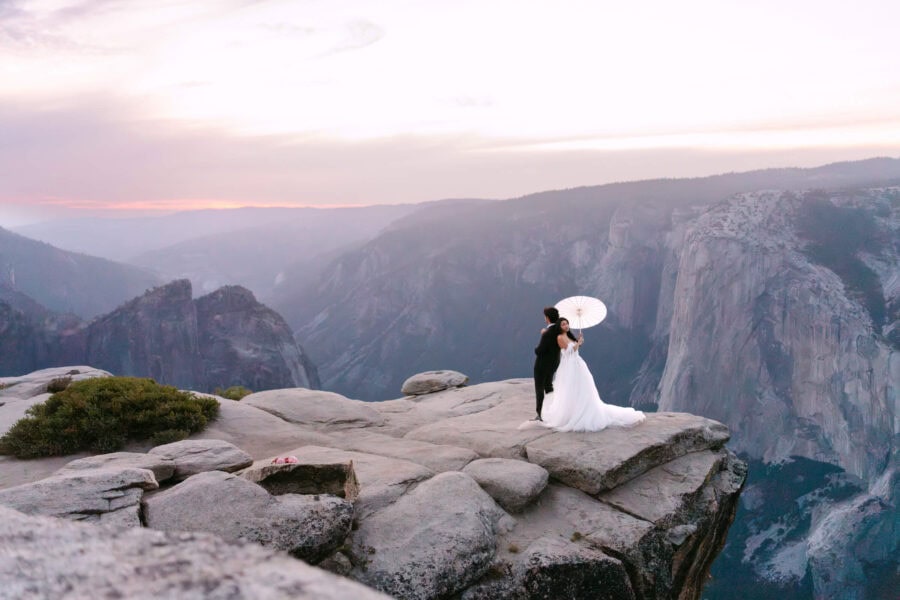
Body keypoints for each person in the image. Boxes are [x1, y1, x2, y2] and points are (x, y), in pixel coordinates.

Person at [541, 318, 645, 431]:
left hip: (577, 365)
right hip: (569, 367)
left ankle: (583, 410)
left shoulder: (568, 336)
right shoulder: (560, 337)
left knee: (583, 389)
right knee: (571, 389)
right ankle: (572, 413)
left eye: (567, 323)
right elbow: (569, 350)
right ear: (559, 326)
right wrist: (578, 343)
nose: (566, 326)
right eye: (563, 324)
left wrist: (578, 342)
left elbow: (574, 349)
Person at [532, 306, 561, 421]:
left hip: (542, 365)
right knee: (549, 386)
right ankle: (551, 410)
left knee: (539, 388)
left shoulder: (547, 333)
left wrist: (542, 336)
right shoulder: (559, 330)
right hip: (554, 364)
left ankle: (541, 414)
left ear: (548, 318)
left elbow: (539, 350)